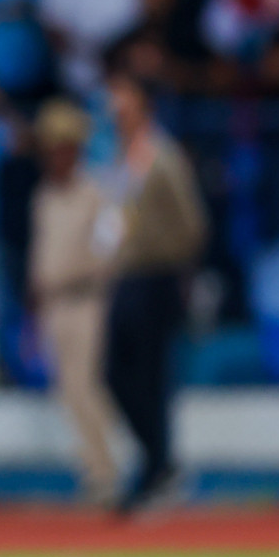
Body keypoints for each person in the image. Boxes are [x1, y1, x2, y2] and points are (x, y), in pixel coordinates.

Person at [102, 69, 208, 515]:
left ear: (141, 101)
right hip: (125, 276)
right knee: (115, 373)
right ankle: (157, 462)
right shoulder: (120, 155)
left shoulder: (161, 155)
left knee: (148, 376)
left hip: (156, 275)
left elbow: (192, 224)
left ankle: (157, 469)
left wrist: (172, 261)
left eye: (121, 94)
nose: (112, 104)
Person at [29, 99, 119, 506]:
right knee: (67, 392)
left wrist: (74, 273)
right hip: (53, 304)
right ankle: (93, 471)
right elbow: (39, 255)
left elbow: (109, 253)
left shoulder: (96, 194)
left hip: (87, 302)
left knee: (85, 388)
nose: (55, 154)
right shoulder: (45, 195)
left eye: (61, 145)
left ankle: (106, 472)